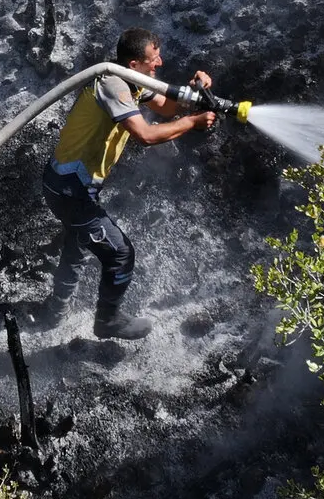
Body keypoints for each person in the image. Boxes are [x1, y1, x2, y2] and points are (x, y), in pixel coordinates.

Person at [32, 27, 217, 339]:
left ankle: (54, 312)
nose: (159, 64)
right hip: (69, 189)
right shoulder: (113, 84)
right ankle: (108, 321)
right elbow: (145, 135)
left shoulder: (130, 81)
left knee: (76, 245)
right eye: (153, 60)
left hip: (69, 186)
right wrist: (192, 123)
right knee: (120, 254)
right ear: (135, 64)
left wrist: (194, 95)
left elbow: (169, 107)